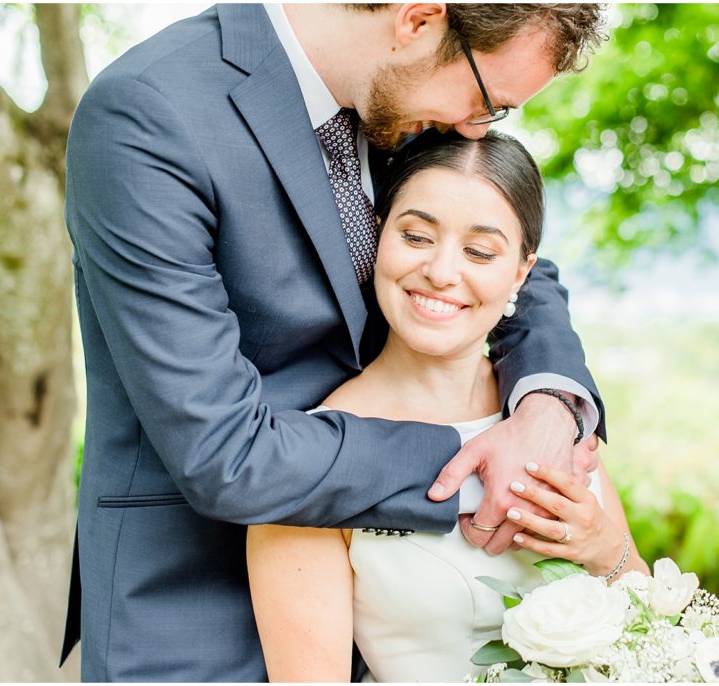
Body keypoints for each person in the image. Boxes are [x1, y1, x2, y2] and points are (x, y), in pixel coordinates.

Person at [61, 3, 607, 681]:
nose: (473, 129)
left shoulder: (394, 95)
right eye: (485, 100)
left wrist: (547, 406)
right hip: (196, 615)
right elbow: (224, 455)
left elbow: (514, 257)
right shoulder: (149, 113)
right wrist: (482, 460)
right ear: (418, 20)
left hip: (399, 613)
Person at [247, 130, 650, 682]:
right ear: (378, 237)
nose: (441, 271)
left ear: (521, 273)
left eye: (479, 251)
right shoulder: (310, 463)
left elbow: (656, 630)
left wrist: (605, 550)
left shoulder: (555, 419)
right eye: (415, 236)